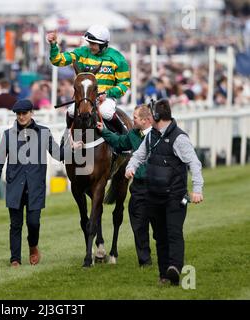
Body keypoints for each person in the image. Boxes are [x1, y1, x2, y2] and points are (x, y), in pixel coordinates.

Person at [125, 99, 204, 285]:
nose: (148, 116)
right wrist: (131, 167)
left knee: (173, 233)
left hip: (175, 197)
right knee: (159, 236)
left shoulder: (179, 138)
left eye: (151, 113)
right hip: (154, 195)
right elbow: (138, 155)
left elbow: (194, 163)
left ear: (157, 116)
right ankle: (163, 275)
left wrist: (197, 189)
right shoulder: (150, 136)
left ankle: (174, 269)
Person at [0, 99, 64, 267]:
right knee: (15, 225)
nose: (21, 117)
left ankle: (33, 246)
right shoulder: (8, 135)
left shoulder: (44, 133)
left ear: (31, 113)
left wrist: (73, 147)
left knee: (33, 223)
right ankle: (15, 259)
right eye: (19, 114)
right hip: (15, 187)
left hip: (35, 188)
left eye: (24, 113)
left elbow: (58, 155)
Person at [96, 104, 155, 267]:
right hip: (138, 187)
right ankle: (145, 261)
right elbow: (119, 142)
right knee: (138, 224)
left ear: (145, 120)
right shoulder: (133, 135)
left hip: (158, 187)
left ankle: (168, 257)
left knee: (159, 228)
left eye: (134, 117)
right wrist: (103, 131)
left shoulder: (160, 135)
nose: (131, 120)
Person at [46, 25, 131, 132]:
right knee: (71, 111)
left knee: (106, 111)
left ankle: (124, 139)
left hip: (105, 99)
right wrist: (53, 45)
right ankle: (67, 139)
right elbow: (58, 60)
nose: (90, 46)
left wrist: (108, 93)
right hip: (84, 98)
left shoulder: (117, 58)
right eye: (89, 43)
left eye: (93, 44)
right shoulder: (81, 52)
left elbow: (124, 84)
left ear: (103, 44)